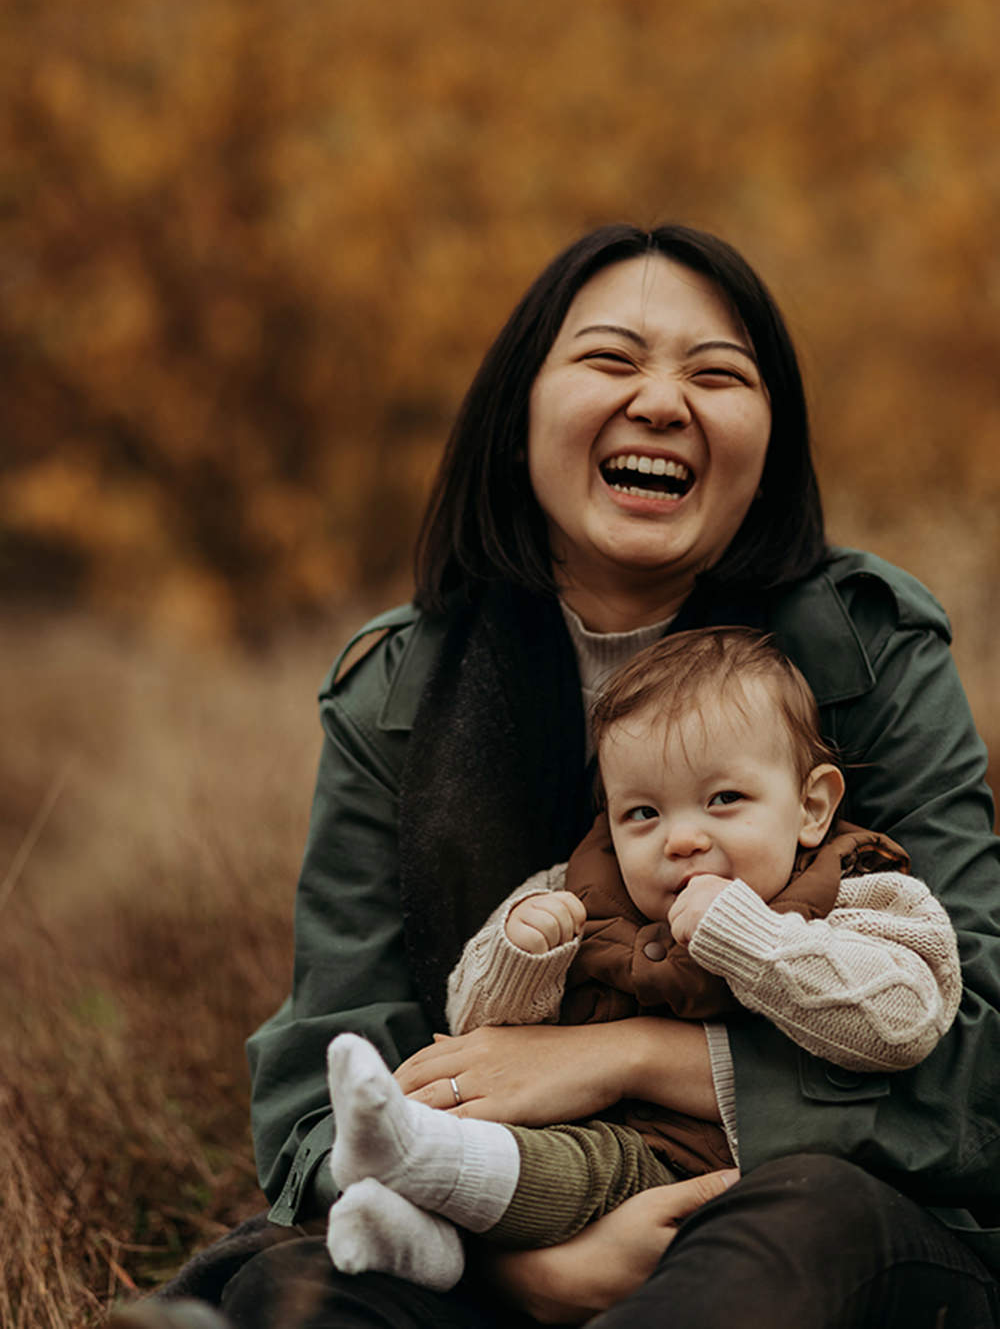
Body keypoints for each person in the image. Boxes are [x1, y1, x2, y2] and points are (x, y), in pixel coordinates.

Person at [130, 223, 1000, 1329]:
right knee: (294, 1277)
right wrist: (523, 1269)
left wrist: (625, 1054)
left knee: (803, 1222)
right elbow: (323, 1085)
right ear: (520, 412)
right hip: (502, 1221)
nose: (660, 400)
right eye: (609, 358)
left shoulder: (865, 648)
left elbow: (983, 1060)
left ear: (769, 438)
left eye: (717, 373)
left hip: (830, 1223)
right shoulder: (397, 691)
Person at [321, 626, 962, 1290]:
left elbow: (906, 1018)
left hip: (721, 1176)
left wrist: (750, 937)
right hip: (565, 1149)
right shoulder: (576, 891)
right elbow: (474, 1021)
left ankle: (423, 1177)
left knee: (587, 1163)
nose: (682, 839)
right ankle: (420, 1234)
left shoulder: (857, 894)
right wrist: (524, 953)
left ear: (812, 805)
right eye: (644, 812)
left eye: (724, 800)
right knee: (532, 1147)